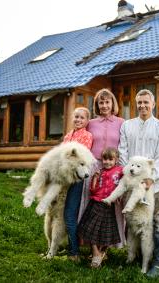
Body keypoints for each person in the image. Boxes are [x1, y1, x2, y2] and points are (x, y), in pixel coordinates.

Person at [118, 89, 159, 278]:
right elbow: (122, 152)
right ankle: (137, 256)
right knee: (132, 221)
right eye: (139, 103)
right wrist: (129, 178)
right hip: (132, 184)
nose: (142, 106)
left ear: (153, 104)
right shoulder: (127, 126)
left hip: (153, 184)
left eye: (146, 102)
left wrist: (151, 178)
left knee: (156, 222)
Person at [79, 88, 126, 248]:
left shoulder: (121, 123)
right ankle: (89, 240)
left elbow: (124, 146)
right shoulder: (91, 123)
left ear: (112, 103)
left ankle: (110, 244)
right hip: (95, 167)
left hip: (114, 170)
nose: (104, 105)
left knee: (113, 204)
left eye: (107, 102)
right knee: (91, 204)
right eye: (101, 102)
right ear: (97, 105)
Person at [77, 148, 123, 268]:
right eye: (105, 159)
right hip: (96, 202)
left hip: (108, 205)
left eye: (110, 159)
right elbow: (92, 190)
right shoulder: (100, 172)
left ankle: (101, 252)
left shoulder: (120, 171)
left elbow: (125, 184)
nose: (107, 162)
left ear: (116, 160)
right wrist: (95, 178)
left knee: (105, 231)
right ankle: (96, 253)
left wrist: (119, 196)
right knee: (89, 228)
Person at [62, 107, 93, 262]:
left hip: (76, 179)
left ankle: (74, 253)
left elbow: (80, 158)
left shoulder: (87, 136)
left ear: (87, 121)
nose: (78, 120)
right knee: (64, 213)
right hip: (64, 177)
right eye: (76, 117)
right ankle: (69, 247)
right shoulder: (68, 136)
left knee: (70, 213)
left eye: (82, 118)